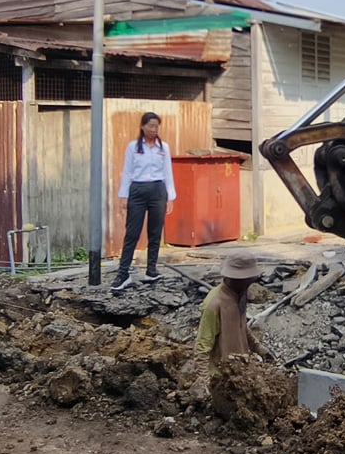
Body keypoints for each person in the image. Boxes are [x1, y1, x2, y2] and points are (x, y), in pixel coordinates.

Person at [112, 112, 177, 291]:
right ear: (142, 126)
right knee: (132, 232)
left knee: (155, 232)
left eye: (156, 126)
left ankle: (151, 270)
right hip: (138, 190)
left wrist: (170, 197)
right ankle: (123, 273)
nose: (153, 129)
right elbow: (127, 171)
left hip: (157, 190)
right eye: (150, 126)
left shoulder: (163, 147)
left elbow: (167, 172)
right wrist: (124, 195)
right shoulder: (133, 147)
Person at [191, 251, 269, 399]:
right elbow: (202, 348)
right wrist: (206, 382)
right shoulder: (213, 305)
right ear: (234, 278)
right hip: (222, 379)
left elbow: (241, 326)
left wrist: (257, 347)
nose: (250, 283)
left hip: (241, 371)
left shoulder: (239, 295)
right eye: (247, 280)